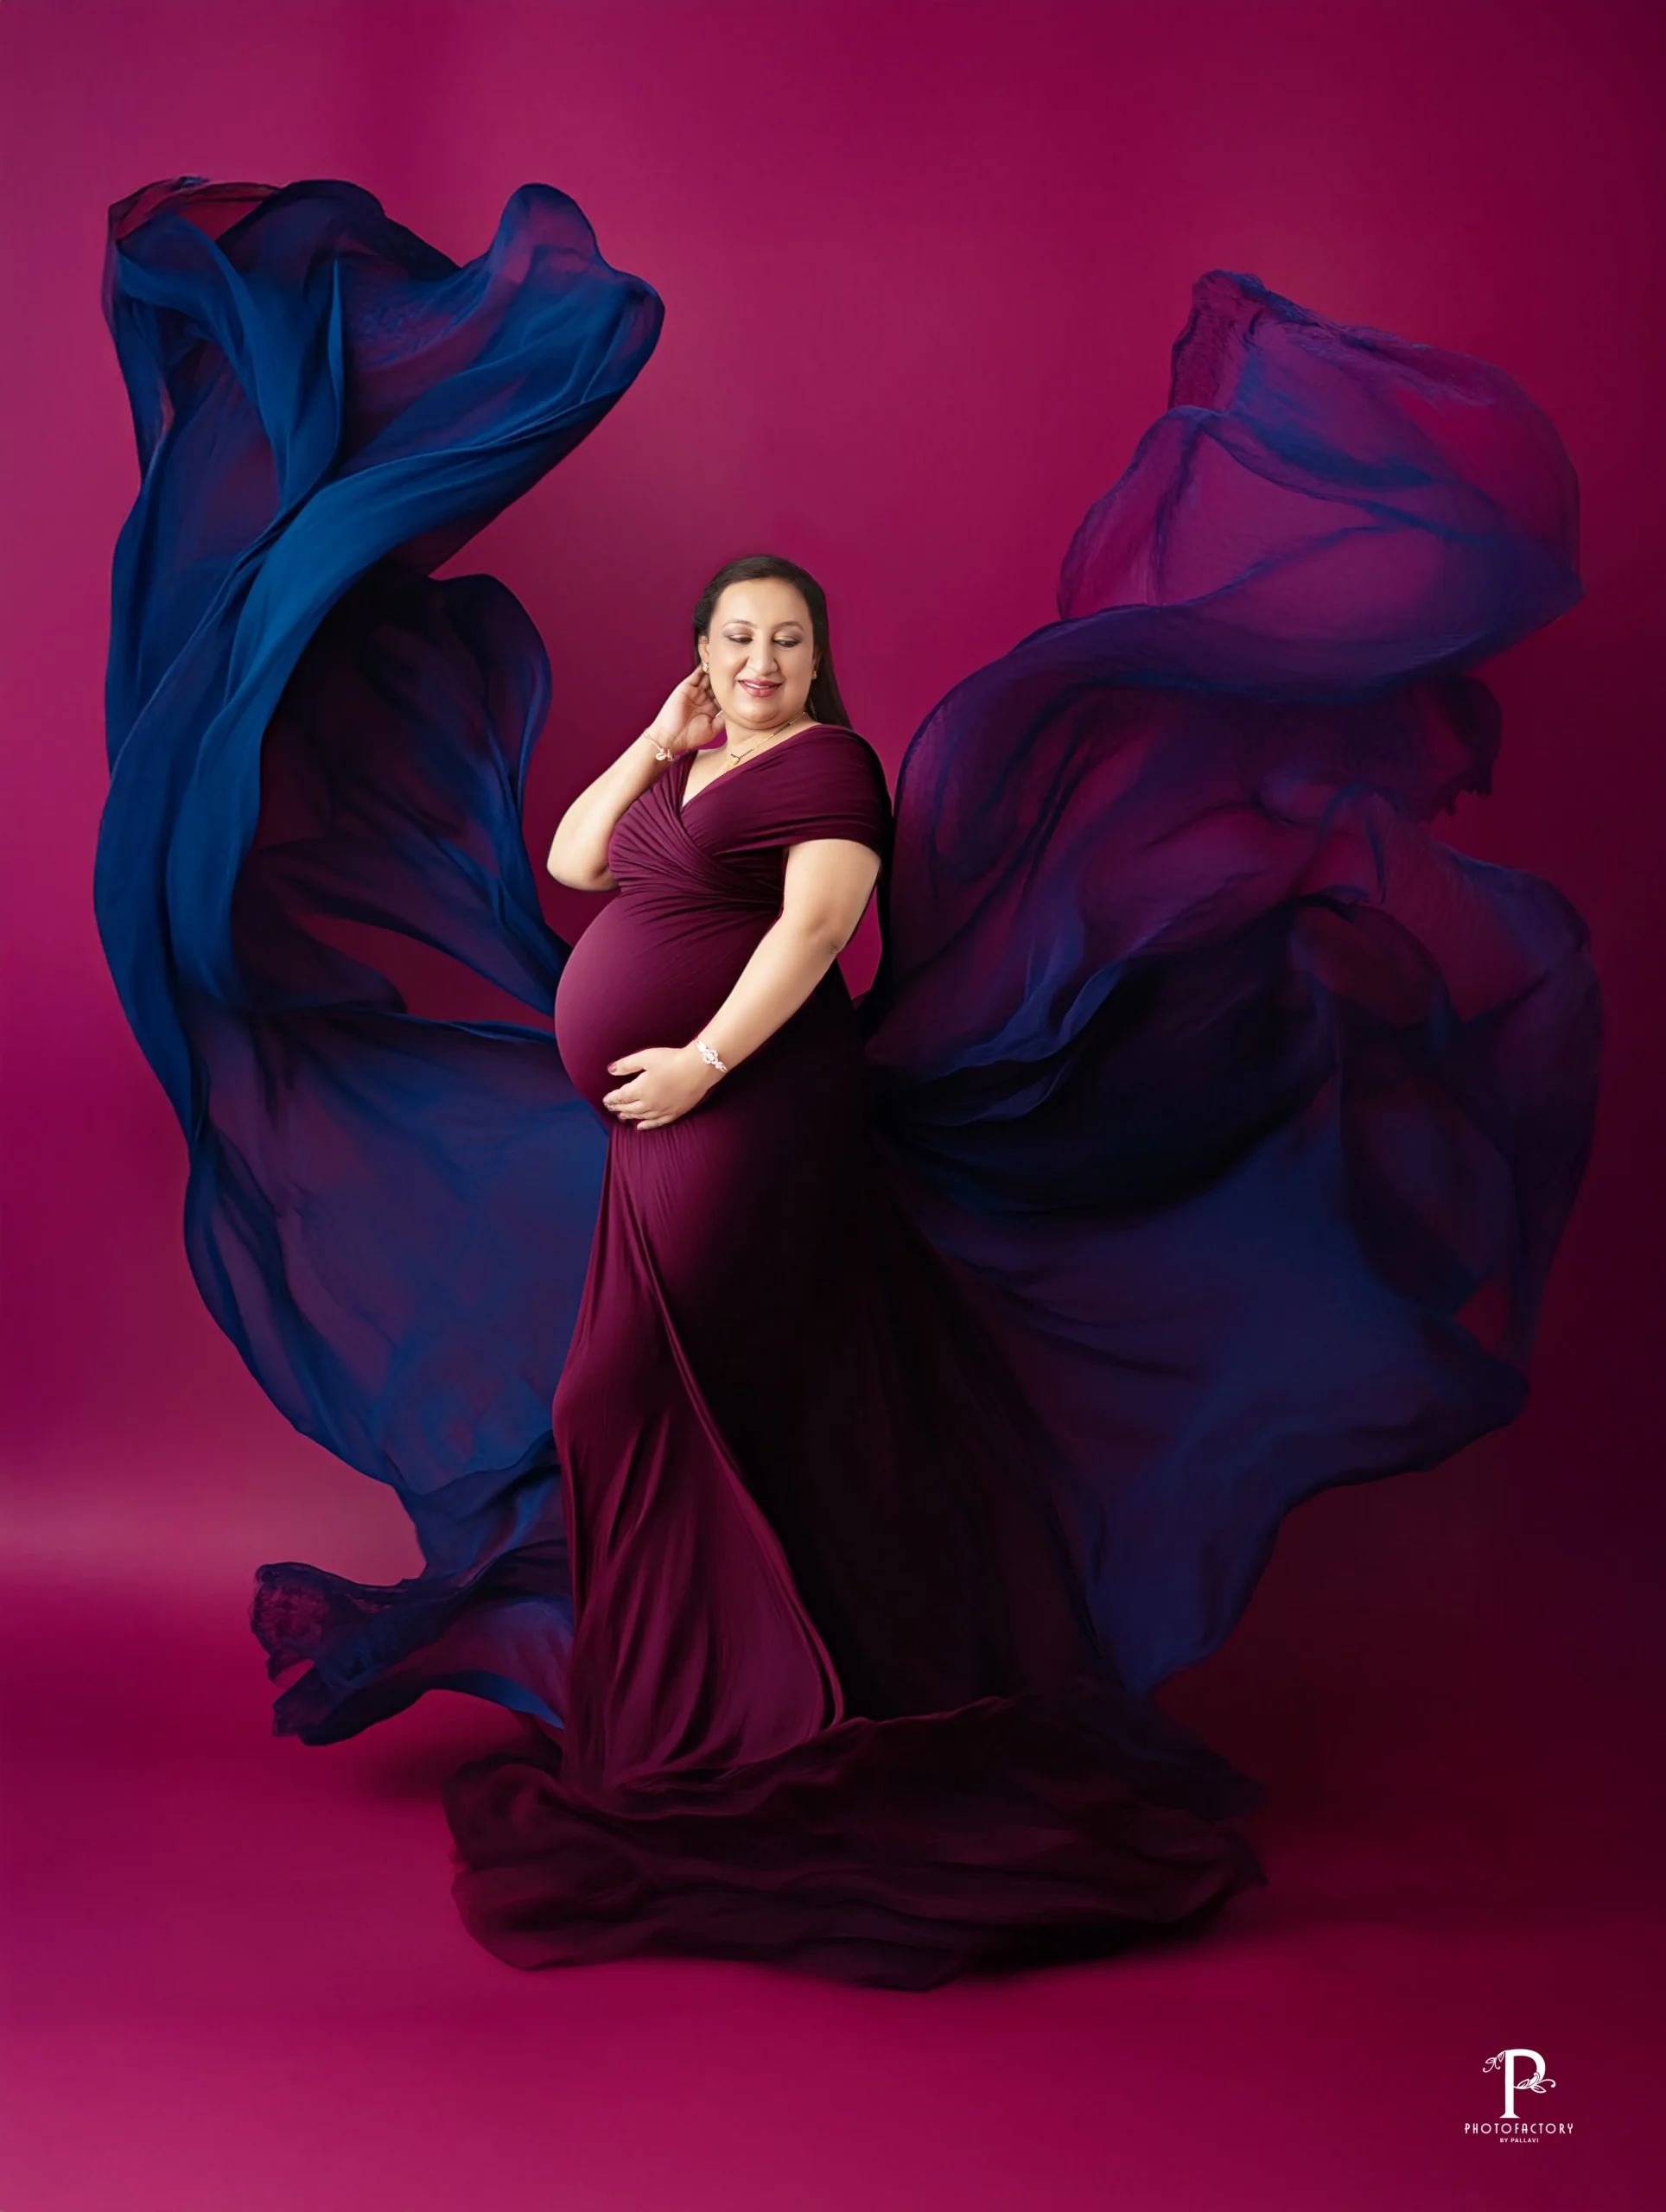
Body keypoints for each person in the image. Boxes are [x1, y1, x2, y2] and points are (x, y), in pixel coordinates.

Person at [99, 177, 1600, 1989]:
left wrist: (700, 1061)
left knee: (640, 1390)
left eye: (781, 644)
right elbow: (572, 860)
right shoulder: (692, 768)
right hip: (660, 1117)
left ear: (814, 664)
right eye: (733, 642)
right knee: (683, 1412)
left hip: (752, 1113)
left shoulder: (829, 776)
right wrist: (653, 743)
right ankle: (702, 1730)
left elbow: (815, 936)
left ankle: (722, 1731)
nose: (757, 664)